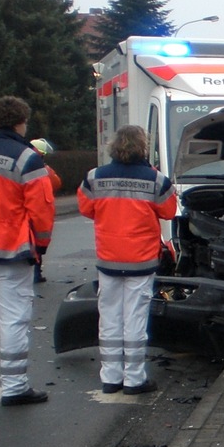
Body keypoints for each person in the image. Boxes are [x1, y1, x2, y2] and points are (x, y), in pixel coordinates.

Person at [78, 124, 176, 395]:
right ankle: (134, 379)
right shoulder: (155, 179)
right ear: (142, 147)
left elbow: (86, 208)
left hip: (108, 260)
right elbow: (169, 211)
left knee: (109, 318)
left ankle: (110, 377)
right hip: (141, 261)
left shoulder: (95, 177)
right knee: (134, 319)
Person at [0, 96, 56, 406]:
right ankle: (14, 386)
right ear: (20, 122)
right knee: (14, 318)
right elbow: (42, 210)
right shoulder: (27, 159)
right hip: (11, 250)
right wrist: (41, 246)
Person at [29, 139, 63, 283]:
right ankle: (36, 273)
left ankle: (35, 272)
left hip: (26, 212)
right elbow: (56, 183)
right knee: (36, 245)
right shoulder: (43, 169)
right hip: (37, 212)